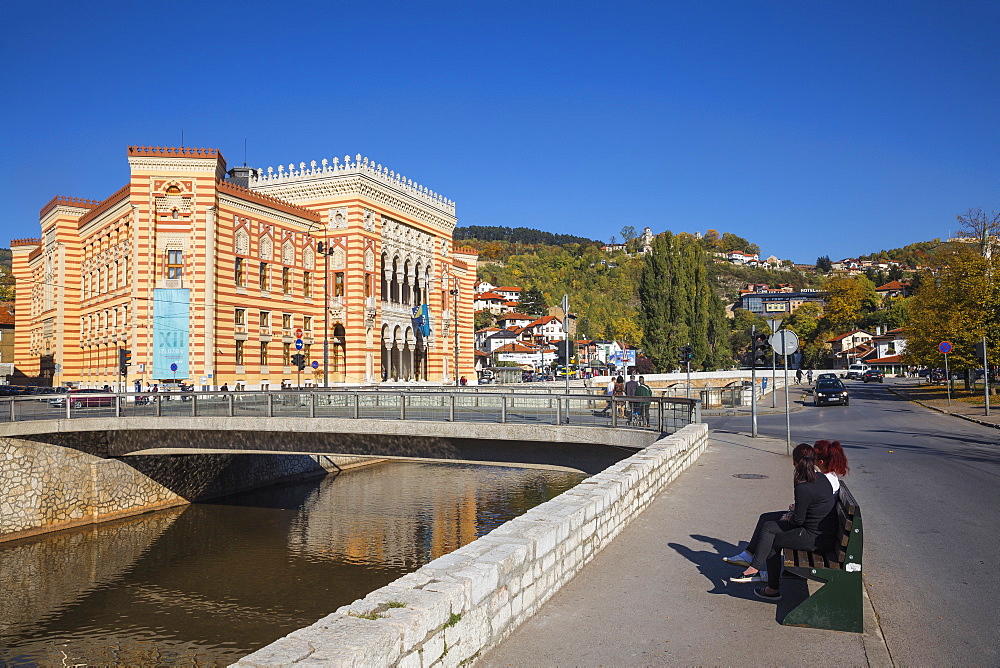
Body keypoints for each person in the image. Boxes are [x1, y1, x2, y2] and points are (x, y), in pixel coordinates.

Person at [725, 443, 836, 601]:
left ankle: (765, 580)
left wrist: (789, 516)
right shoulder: (822, 478)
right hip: (822, 532)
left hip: (815, 538)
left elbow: (798, 521)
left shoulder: (802, 485)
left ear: (794, 463)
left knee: (771, 533)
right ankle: (749, 555)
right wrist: (792, 513)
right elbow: (813, 505)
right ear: (814, 461)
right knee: (766, 518)